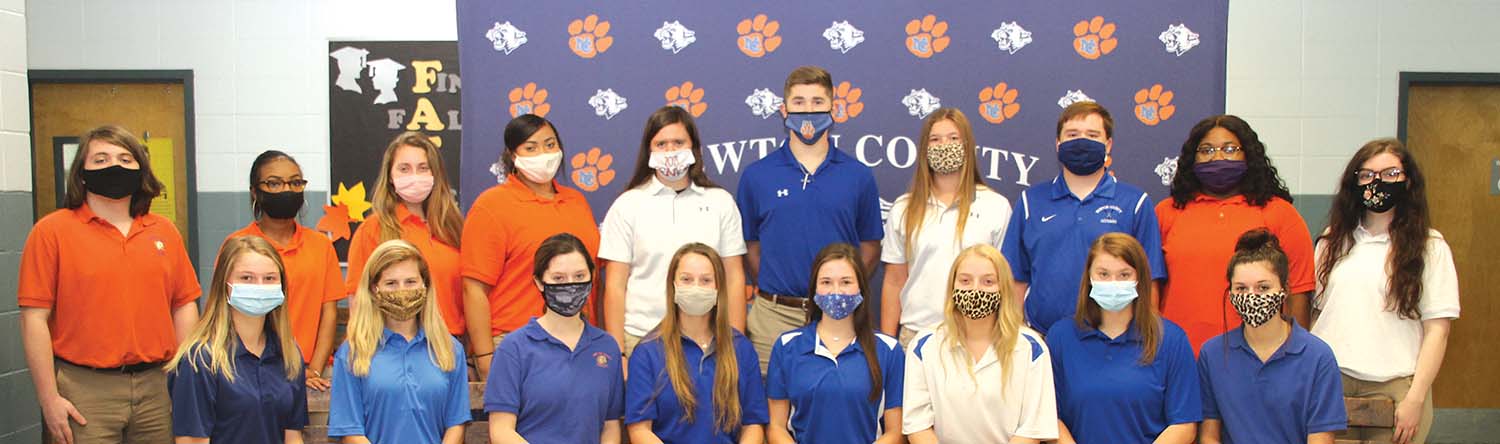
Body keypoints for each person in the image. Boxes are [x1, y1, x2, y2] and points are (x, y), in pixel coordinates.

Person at [19, 125, 201, 443]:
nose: (114, 166)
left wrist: (183, 382)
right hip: (84, 390)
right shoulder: (51, 232)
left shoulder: (164, 231)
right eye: (100, 159)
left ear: (140, 171)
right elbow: (34, 319)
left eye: (125, 158)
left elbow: (184, 304)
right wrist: (49, 399)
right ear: (82, 173)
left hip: (157, 388)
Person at [1312, 138, 1459, 444]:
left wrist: (1416, 398)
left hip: (1396, 385)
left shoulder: (1430, 247)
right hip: (1332, 381)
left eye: (1390, 174)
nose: (1377, 182)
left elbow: (1438, 331)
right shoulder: (1331, 242)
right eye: (1367, 175)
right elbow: (1316, 313)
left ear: (1408, 181)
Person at [738, 66, 884, 374]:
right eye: (799, 102)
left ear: (834, 108)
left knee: (835, 403)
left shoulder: (858, 175)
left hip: (839, 314)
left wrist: (841, 291)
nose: (808, 110)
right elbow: (750, 246)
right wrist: (775, 285)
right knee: (768, 410)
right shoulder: (756, 176)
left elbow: (870, 246)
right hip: (772, 318)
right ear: (783, 109)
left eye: (818, 102)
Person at [1002, 101, 1166, 333]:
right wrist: (1017, 337)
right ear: (1058, 144)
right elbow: (1016, 278)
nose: (1081, 141)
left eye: (1092, 134)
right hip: (1043, 336)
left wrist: (1145, 336)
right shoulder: (1031, 201)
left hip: (1113, 339)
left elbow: (1150, 280)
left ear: (1108, 144)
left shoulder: (1135, 203)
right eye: (1072, 134)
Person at [1158, 114, 1314, 351]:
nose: (1218, 157)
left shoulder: (1280, 213)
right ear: (1192, 158)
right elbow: (1150, 288)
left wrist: (1295, 355)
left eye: (1230, 149)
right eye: (1206, 150)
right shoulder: (1166, 212)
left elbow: (1299, 291)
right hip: (1179, 354)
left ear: (1248, 155)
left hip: (1256, 355)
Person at [463, 114, 601, 380]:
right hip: (515, 342)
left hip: (579, 339)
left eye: (550, 144)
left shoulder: (576, 202)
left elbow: (596, 279)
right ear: (512, 155)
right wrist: (484, 357)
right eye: (531, 147)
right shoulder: (491, 206)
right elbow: (473, 289)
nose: (543, 153)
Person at [602, 106, 748, 357]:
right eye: (661, 144)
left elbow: (734, 279)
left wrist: (735, 344)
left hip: (708, 338)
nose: (670, 151)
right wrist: (619, 355)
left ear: (694, 148)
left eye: (678, 142)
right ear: (649, 150)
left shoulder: (720, 202)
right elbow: (615, 286)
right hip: (641, 337)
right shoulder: (627, 205)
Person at [1046, 233, 1200, 444]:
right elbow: (1049, 417)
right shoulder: (1060, 338)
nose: (1113, 283)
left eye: (1124, 275)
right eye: (1103, 274)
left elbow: (1184, 424)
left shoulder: (1171, 340)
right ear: (1089, 278)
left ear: (1139, 279)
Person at [1198, 229, 1346, 444]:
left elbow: (1321, 438)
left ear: (1284, 290)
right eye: (1241, 288)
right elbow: (1209, 435)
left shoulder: (1317, 357)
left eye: (1263, 287)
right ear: (1230, 293)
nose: (1251, 296)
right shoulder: (1212, 355)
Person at [881, 108, 1011, 346]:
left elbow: (1006, 281)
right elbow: (894, 281)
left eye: (953, 138)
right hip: (917, 335)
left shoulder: (996, 206)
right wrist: (887, 345)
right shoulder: (904, 208)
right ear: (925, 148)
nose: (944, 145)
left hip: (977, 336)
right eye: (935, 139)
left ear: (967, 145)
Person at [903, 244, 1056, 443]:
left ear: (1003, 288)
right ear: (952, 286)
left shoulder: (1031, 348)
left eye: (988, 281)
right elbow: (918, 426)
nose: (975, 289)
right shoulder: (924, 346)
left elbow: (1032, 429)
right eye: (965, 281)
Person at [485, 233, 625, 444]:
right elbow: (501, 430)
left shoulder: (607, 347)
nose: (570, 285)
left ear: (592, 277)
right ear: (539, 282)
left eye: (579, 276)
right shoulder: (514, 348)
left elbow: (610, 426)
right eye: (558, 278)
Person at [168, 236, 308, 443]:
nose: (259, 287)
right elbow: (191, 440)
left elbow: (292, 435)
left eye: (269, 278)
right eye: (246, 278)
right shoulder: (200, 359)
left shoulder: (289, 353)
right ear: (224, 285)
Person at [328, 240, 469, 443]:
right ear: (375, 289)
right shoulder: (352, 352)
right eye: (391, 283)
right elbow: (351, 432)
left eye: (410, 282)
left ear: (425, 285)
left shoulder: (449, 349)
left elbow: (456, 423)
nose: (401, 290)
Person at [625, 243, 768, 443]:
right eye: (686, 279)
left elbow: (753, 424)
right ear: (672, 286)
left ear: (718, 288)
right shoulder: (647, 352)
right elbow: (640, 430)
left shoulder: (741, 348)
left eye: (706, 280)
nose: (696, 287)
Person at [227, 150, 343, 390]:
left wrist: (315, 369)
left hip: (310, 373)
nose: (286, 190)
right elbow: (223, 311)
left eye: (295, 182)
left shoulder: (321, 246)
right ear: (255, 191)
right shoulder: (237, 245)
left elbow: (328, 314)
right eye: (274, 183)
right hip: (248, 373)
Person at [766, 243, 903, 444]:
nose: (835, 291)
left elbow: (896, 432)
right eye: (826, 282)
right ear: (814, 288)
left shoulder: (889, 351)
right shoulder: (787, 346)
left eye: (846, 282)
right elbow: (776, 428)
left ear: (861, 288)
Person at [346, 132, 465, 337]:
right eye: (404, 169)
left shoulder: (454, 228)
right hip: (394, 346)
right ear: (390, 177)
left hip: (453, 343)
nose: (414, 176)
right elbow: (358, 301)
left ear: (435, 175)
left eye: (423, 168)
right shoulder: (373, 229)